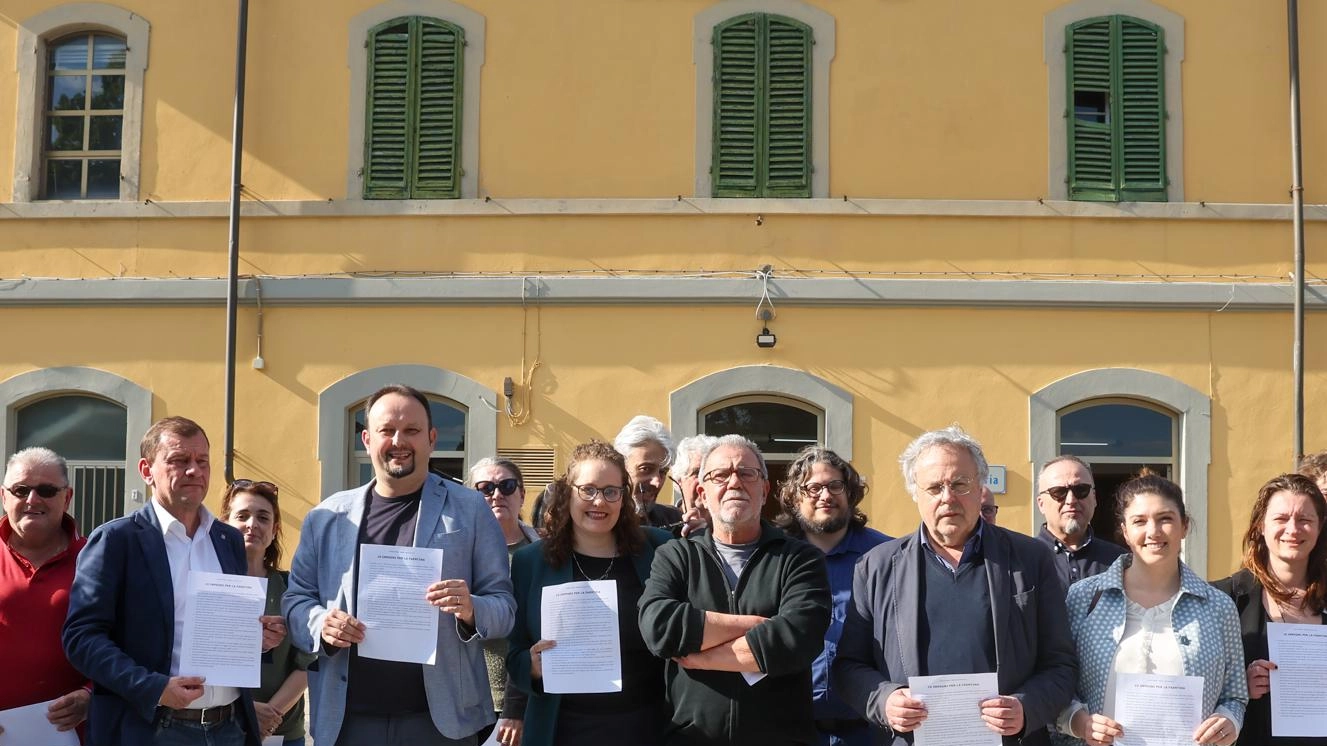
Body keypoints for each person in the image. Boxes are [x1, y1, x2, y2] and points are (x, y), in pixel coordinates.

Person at [284, 384, 516, 746]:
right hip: (349, 720)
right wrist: (321, 625)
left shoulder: (470, 509)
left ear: (432, 438)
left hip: (442, 722)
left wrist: (472, 608)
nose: (399, 441)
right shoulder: (326, 517)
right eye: (386, 430)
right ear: (366, 439)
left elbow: (504, 607)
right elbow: (296, 601)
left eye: (412, 430)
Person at [833, 425, 1076, 746]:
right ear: (916, 493)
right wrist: (884, 700)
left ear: (979, 489)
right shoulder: (876, 566)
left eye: (959, 484)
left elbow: (1061, 665)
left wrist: (1025, 707)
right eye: (934, 487)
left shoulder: (1031, 559)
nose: (947, 497)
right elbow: (849, 666)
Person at [64, 417, 273, 746]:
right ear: (146, 471)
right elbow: (81, 638)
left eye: (202, 461)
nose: (194, 470)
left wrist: (253, 637)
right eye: (179, 460)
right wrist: (153, 687)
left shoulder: (227, 539)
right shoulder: (117, 540)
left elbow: (216, 628)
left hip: (229, 727)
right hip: (152, 728)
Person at [639, 434, 831, 745]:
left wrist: (700, 656)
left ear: (764, 488)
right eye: (720, 475)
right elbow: (659, 627)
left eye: (747, 473)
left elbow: (799, 638)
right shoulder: (676, 556)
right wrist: (755, 627)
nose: (735, 482)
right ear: (702, 491)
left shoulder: (800, 558)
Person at [1058, 471, 1246, 746]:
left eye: (1165, 519)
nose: (1153, 532)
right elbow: (1057, 683)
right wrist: (1080, 722)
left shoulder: (1218, 606)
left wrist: (1229, 720)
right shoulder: (1084, 598)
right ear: (1125, 531)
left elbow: (1235, 695)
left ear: (1184, 526)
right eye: (1140, 521)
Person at [506, 441, 673, 745]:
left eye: (611, 491)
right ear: (568, 492)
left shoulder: (659, 547)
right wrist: (530, 666)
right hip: (563, 728)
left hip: (647, 725)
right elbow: (514, 650)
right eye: (588, 490)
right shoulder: (531, 562)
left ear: (623, 497)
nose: (600, 502)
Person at [774, 446, 891, 746]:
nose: (825, 495)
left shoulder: (886, 557)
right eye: (813, 487)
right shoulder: (773, 556)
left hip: (867, 730)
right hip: (789, 729)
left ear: (850, 493)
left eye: (835, 485)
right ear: (794, 498)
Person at [1212, 473, 1327, 746]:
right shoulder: (1222, 598)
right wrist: (1239, 687)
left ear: (1320, 527)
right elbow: (1196, 688)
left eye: (1304, 520)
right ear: (1260, 526)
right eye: (1281, 518)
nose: (1293, 529)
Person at [1, 447, 88, 739]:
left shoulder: (97, 558)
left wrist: (92, 695)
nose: (32, 500)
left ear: (67, 497)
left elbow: (128, 641)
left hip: (72, 733)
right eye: (20, 489)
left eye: (47, 490)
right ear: (3, 496)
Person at [220, 479, 314, 746]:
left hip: (280, 729)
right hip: (220, 727)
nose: (253, 524)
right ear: (224, 523)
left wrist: (269, 716)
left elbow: (307, 662)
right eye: (242, 516)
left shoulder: (291, 588)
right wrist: (248, 711)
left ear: (274, 530)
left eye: (263, 517)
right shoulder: (208, 585)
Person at [469, 457, 541, 746]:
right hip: (470, 699)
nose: (496, 495)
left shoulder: (545, 554)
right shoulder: (458, 554)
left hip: (529, 697)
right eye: (485, 488)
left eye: (507, 486)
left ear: (522, 494)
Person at [1035, 455, 1127, 588]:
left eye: (1081, 490)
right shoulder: (1021, 561)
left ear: (1094, 498)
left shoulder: (1121, 561)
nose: (1071, 500)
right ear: (1041, 504)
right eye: (1059, 492)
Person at [613, 415, 683, 529]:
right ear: (620, 467)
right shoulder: (601, 522)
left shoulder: (674, 521)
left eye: (663, 472)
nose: (657, 482)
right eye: (646, 469)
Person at [669, 435, 717, 515]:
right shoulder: (663, 521)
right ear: (679, 480)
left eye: (712, 472)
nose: (704, 480)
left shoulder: (730, 525)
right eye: (697, 473)